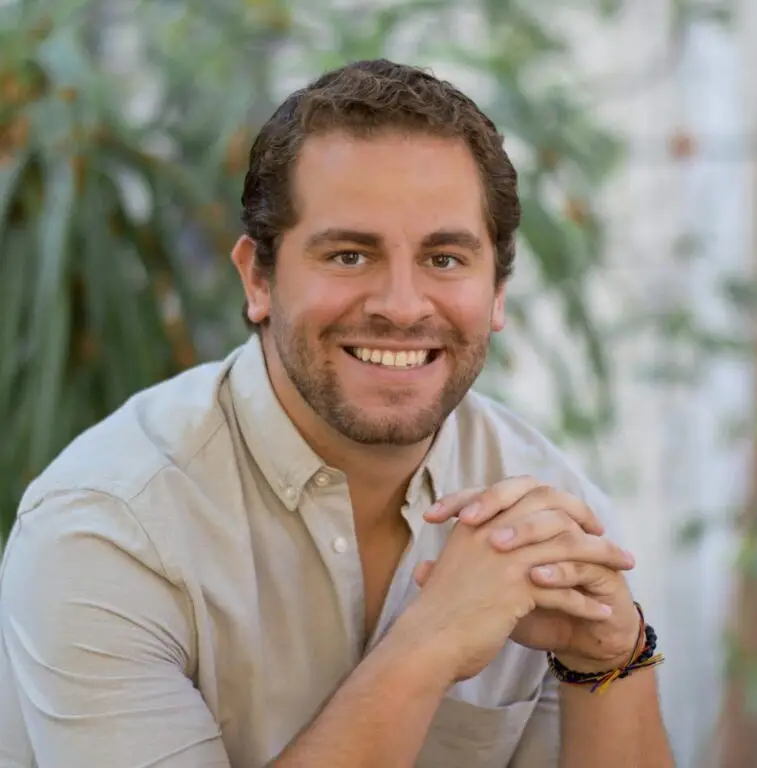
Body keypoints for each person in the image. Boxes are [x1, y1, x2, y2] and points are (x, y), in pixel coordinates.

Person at [0, 59, 674, 767]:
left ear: (497, 292)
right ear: (258, 279)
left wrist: (610, 656)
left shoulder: (551, 509)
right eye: (350, 255)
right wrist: (432, 643)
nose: (402, 306)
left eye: (445, 259)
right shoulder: (109, 528)